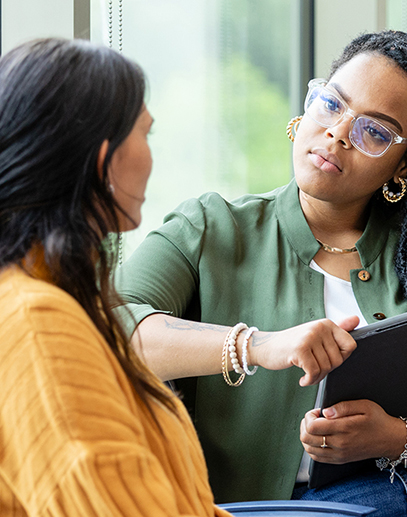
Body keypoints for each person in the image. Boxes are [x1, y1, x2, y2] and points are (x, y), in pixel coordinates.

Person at [116, 30, 407, 516]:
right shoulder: (210, 227)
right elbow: (108, 328)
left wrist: (393, 437)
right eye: (331, 104)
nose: (338, 133)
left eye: (374, 131)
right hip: (276, 507)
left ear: (405, 164)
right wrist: (260, 346)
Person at [0, 37, 235, 517]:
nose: (152, 155)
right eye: (146, 134)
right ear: (105, 157)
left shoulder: (63, 301)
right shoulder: (37, 322)